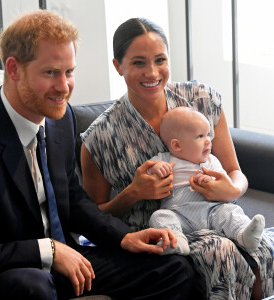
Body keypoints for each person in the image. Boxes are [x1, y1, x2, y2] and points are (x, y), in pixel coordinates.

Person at [0, 10, 196, 300]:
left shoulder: (60, 120)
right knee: (33, 289)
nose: (64, 87)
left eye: (69, 72)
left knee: (174, 269)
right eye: (51, 72)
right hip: (13, 271)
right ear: (14, 69)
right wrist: (48, 250)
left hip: (69, 256)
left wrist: (124, 236)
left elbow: (75, 200)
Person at [81, 17, 274, 299]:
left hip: (215, 213)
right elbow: (92, 218)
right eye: (138, 62)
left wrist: (231, 188)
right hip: (165, 230)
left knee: (262, 245)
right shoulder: (99, 137)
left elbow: (236, 172)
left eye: (160, 60)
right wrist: (133, 193)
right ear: (117, 66)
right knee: (219, 251)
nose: (152, 72)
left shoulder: (202, 100)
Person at [147, 106, 265, 255]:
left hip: (212, 211)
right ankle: (176, 240)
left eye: (208, 134)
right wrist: (156, 169)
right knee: (159, 216)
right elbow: (146, 172)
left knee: (230, 211)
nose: (208, 141)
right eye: (200, 136)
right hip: (179, 214)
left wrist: (210, 180)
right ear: (176, 145)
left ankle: (244, 234)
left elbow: (225, 183)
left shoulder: (211, 161)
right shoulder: (165, 159)